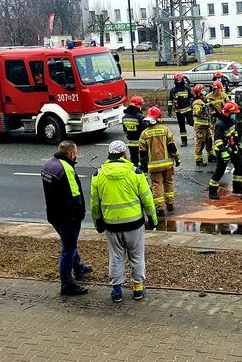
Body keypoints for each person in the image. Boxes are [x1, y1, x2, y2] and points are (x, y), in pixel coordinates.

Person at [90, 140, 157, 303]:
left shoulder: (98, 175)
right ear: (124, 154)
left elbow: (94, 203)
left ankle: (117, 291)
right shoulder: (136, 173)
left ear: (109, 154)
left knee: (116, 257)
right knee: (137, 256)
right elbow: (147, 199)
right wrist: (153, 220)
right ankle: (138, 289)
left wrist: (98, 223)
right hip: (134, 224)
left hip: (111, 225)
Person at [41, 140, 93, 296]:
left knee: (69, 242)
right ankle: (67, 284)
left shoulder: (49, 165)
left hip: (54, 213)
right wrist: (79, 214)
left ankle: (79, 268)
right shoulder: (67, 169)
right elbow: (75, 195)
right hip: (67, 217)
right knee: (68, 249)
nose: (76, 156)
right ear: (71, 154)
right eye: (76, 153)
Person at [139, 106, 180, 216]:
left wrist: (142, 163)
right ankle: (170, 204)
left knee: (157, 185)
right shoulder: (165, 130)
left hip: (153, 166)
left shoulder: (144, 133)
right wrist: (177, 158)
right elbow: (172, 146)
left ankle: (160, 209)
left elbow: (142, 152)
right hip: (168, 164)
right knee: (169, 182)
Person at [209, 101, 242, 200]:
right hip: (222, 149)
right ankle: (212, 192)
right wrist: (223, 152)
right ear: (227, 113)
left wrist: (239, 144)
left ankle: (237, 188)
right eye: (233, 114)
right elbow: (217, 140)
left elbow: (235, 134)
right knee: (220, 170)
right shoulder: (220, 124)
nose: (234, 116)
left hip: (232, 147)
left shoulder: (231, 121)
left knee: (240, 165)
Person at [191, 84, 216, 166]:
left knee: (209, 141)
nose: (204, 91)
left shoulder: (204, 100)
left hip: (207, 125)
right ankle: (199, 160)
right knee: (200, 143)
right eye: (202, 90)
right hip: (200, 127)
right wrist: (202, 108)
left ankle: (211, 156)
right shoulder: (197, 102)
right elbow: (196, 112)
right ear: (198, 93)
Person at [168, 73, 194, 146]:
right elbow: (170, 100)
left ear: (182, 80)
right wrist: (169, 109)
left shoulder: (187, 88)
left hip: (188, 109)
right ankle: (184, 141)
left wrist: (193, 104)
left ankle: (200, 132)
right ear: (175, 80)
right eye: (177, 80)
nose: (178, 81)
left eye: (180, 80)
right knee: (181, 126)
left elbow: (192, 97)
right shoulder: (173, 90)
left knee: (191, 122)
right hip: (178, 111)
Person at [122, 96, 147, 166]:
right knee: (143, 160)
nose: (142, 106)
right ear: (138, 105)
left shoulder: (125, 117)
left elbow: (125, 131)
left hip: (131, 143)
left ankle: (135, 174)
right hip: (141, 143)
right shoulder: (139, 116)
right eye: (141, 104)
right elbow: (144, 131)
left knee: (134, 161)